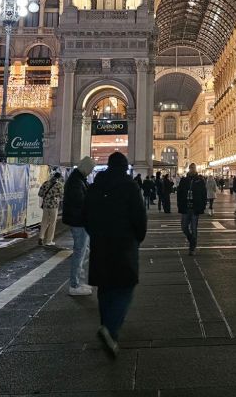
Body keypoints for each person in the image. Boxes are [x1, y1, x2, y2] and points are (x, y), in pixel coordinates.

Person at [83, 151, 147, 357]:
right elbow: (140, 216)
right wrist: (137, 237)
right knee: (125, 287)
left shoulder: (95, 186)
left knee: (105, 287)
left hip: (100, 244)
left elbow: (86, 215)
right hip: (124, 244)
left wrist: (96, 234)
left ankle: (106, 327)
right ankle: (110, 329)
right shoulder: (130, 186)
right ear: (125, 167)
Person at [62, 156, 96, 296]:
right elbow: (80, 202)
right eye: (90, 169)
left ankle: (78, 282)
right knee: (80, 252)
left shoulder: (78, 179)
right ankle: (74, 285)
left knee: (83, 251)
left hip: (79, 221)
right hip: (79, 221)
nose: (91, 172)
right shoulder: (76, 181)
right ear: (86, 168)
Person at [177, 163, 207, 255]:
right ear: (189, 169)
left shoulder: (200, 180)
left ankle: (192, 248)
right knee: (184, 227)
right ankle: (191, 240)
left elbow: (204, 194)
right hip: (185, 207)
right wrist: (179, 205)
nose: (192, 169)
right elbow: (179, 193)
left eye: (194, 168)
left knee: (194, 228)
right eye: (191, 168)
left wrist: (202, 206)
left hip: (195, 207)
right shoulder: (184, 180)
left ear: (195, 169)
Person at [38, 170, 64, 246]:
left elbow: (40, 194)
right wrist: (56, 197)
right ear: (59, 178)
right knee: (52, 223)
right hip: (54, 206)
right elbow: (62, 196)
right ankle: (49, 241)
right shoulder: (59, 185)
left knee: (44, 222)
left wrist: (47, 197)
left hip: (46, 205)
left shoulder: (45, 183)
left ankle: (41, 237)